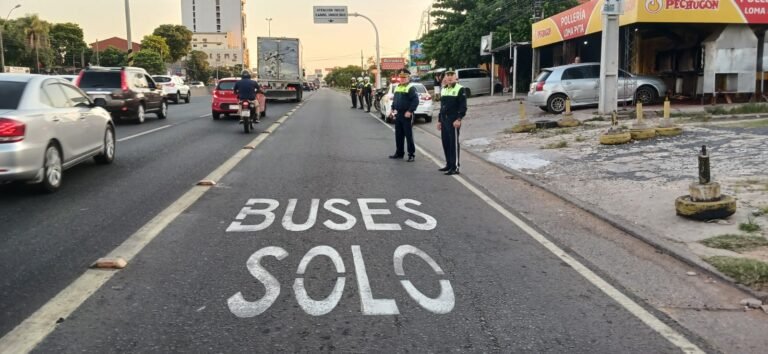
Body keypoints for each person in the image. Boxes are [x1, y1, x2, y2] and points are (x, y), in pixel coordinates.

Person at [437, 70, 467, 175]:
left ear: (455, 78)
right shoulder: (444, 89)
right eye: (447, 76)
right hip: (444, 119)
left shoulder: (460, 89)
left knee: (453, 143)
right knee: (446, 142)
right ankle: (449, 164)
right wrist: (439, 121)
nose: (449, 78)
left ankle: (455, 167)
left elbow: (463, 106)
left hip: (453, 120)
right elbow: (442, 107)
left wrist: (459, 119)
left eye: (451, 76)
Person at [389, 69, 419, 162]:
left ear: (408, 78)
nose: (402, 79)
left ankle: (411, 154)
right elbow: (395, 100)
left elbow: (415, 101)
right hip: (399, 114)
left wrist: (410, 111)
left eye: (404, 77)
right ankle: (399, 153)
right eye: (401, 77)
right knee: (398, 135)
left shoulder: (411, 88)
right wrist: (392, 109)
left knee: (408, 135)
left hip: (407, 115)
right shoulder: (398, 87)